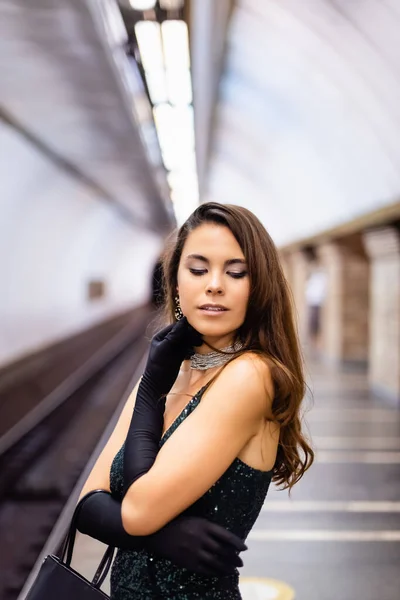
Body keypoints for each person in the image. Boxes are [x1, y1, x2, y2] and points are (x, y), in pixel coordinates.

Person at [76, 202, 314, 599]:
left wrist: (152, 389)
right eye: (198, 269)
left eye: (236, 272)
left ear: (259, 287)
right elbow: (85, 506)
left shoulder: (249, 376)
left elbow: (135, 510)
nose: (215, 284)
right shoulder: (173, 372)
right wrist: (162, 537)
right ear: (176, 280)